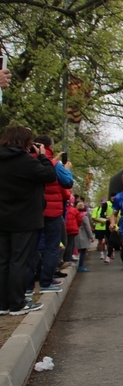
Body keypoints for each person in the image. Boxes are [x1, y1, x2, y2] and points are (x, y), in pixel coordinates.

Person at [0, 125, 55, 315]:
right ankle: (17, 303)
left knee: (3, 260)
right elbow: (49, 175)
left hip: (2, 217)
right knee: (19, 261)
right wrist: (41, 155)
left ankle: (3, 303)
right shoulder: (25, 161)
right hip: (25, 218)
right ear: (25, 142)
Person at [27, 134, 73, 294]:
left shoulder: (26, 161)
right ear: (50, 147)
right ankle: (46, 281)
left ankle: (28, 286)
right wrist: (67, 170)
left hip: (32, 211)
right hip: (52, 212)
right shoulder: (54, 164)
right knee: (52, 247)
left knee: (30, 248)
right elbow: (67, 184)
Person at [74, 201, 93, 273]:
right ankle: (81, 266)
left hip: (76, 234)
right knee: (83, 251)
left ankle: (80, 265)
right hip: (83, 235)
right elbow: (87, 227)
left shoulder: (75, 215)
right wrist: (91, 237)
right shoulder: (84, 216)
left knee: (79, 251)